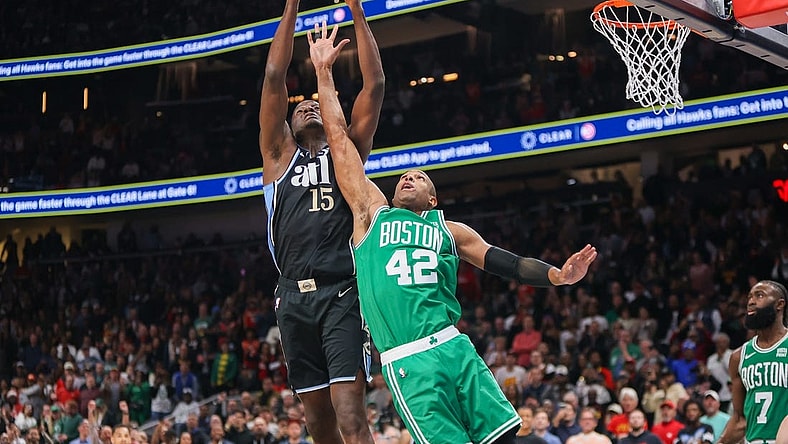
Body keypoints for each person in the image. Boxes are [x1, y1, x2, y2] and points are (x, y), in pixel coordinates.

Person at [306, 21, 597, 444]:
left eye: (420, 177)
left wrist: (556, 275)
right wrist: (323, 73)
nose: (409, 177)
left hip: (454, 346)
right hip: (408, 360)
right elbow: (339, 142)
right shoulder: (371, 213)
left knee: (503, 437)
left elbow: (503, 261)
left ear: (433, 199)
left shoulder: (450, 230)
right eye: (405, 175)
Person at [257, 0, 384, 442]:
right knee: (318, 424)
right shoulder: (277, 157)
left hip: (342, 293)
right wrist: (292, 5)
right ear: (288, 124)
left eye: (317, 104)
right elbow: (274, 77)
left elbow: (376, 83)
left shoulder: (347, 152)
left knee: (351, 418)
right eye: (301, 106)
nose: (310, 106)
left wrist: (356, 9)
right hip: (292, 298)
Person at [718, 280, 788, 444]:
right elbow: (740, 420)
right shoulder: (738, 357)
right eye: (750, 297)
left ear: (779, 304)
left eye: (760, 295)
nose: (751, 301)